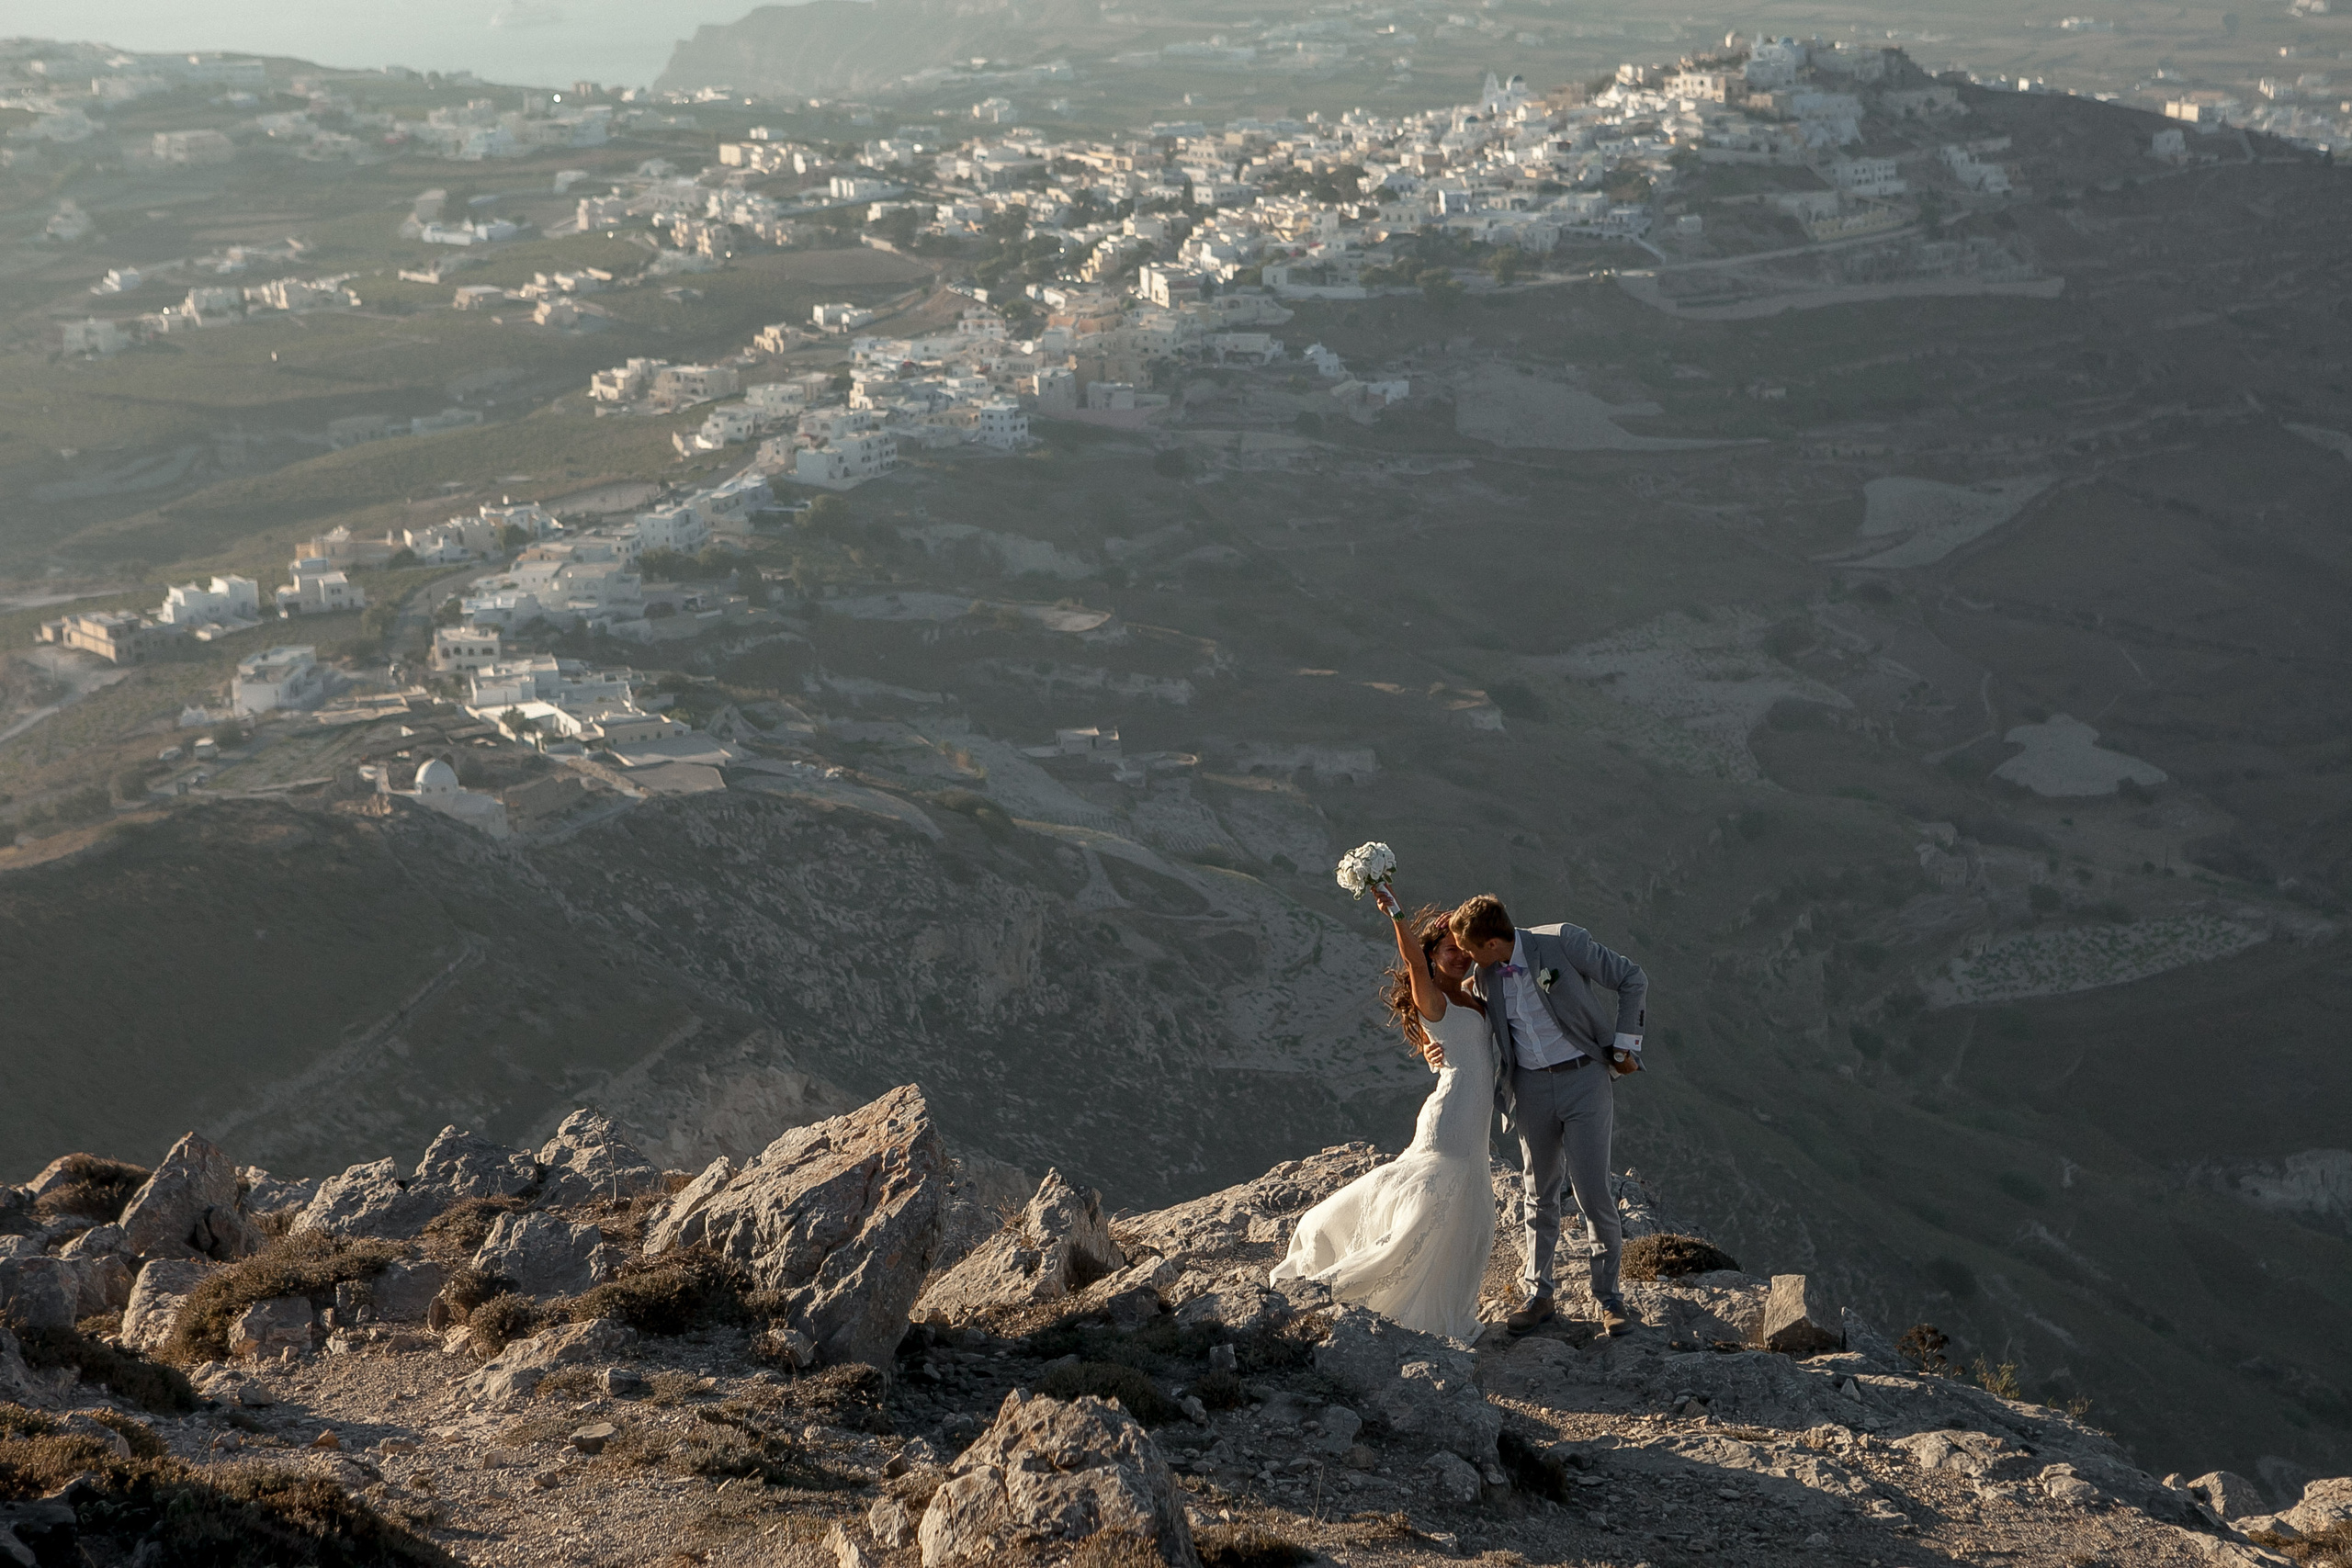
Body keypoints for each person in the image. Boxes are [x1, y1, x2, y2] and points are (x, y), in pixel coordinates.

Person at [1268, 886, 1496, 1341]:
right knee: (1417, 1226)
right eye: (1449, 950)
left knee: (1468, 1225)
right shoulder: (1435, 1001)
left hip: (1474, 1127)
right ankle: (1330, 1288)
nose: (1460, 958)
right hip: (1449, 1123)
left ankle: (1439, 1310)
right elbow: (1412, 962)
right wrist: (1395, 912)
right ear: (1433, 954)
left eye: (1464, 950)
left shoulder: (1474, 992)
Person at [1443, 893, 1648, 1338]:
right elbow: (1456, 1011)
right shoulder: (1484, 975)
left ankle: (1609, 1299)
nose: (1467, 957)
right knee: (1538, 1192)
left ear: (1493, 943)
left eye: (1471, 948)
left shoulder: (1563, 943)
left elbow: (1632, 977)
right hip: (1531, 1089)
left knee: (1594, 1192)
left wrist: (1625, 1045)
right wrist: (1433, 1040)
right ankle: (1539, 1295)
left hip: (1584, 1080)